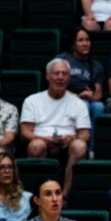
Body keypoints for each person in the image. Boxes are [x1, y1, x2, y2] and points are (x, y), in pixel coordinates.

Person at [21, 60, 90, 198]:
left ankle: (65, 195)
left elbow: (85, 134)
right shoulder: (32, 100)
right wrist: (43, 139)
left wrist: (73, 138)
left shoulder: (78, 103)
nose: (60, 77)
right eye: (56, 73)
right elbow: (25, 132)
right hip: (41, 140)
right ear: (48, 77)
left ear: (69, 78)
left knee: (80, 146)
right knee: (36, 145)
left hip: (68, 143)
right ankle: (40, 195)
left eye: (64, 74)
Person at [57, 28, 106, 122]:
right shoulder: (62, 60)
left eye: (87, 40)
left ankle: (94, 137)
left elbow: (98, 94)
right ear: (73, 44)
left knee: (99, 106)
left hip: (87, 99)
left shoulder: (95, 66)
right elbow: (56, 86)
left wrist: (91, 96)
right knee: (84, 105)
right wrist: (77, 96)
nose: (85, 44)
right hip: (65, 98)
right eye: (80, 40)